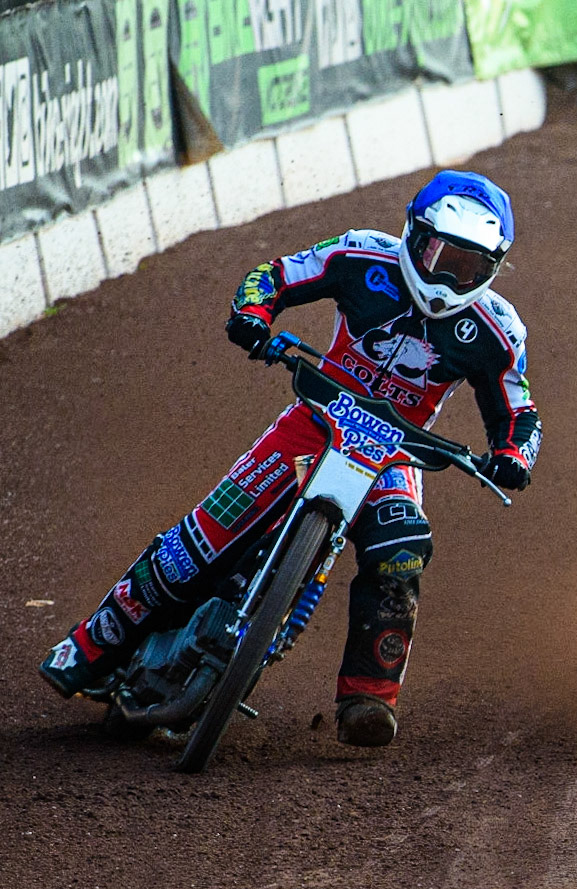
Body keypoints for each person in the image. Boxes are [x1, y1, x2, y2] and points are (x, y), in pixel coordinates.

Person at [39, 170, 538, 747]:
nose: (450, 277)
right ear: (413, 233)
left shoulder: (498, 330)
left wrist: (512, 455)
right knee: (199, 545)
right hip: (313, 423)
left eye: (471, 267)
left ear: (494, 268)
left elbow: (518, 409)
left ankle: (368, 699)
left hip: (395, 454)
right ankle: (92, 644)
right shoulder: (359, 254)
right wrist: (252, 316)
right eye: (440, 254)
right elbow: (275, 275)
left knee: (401, 553)